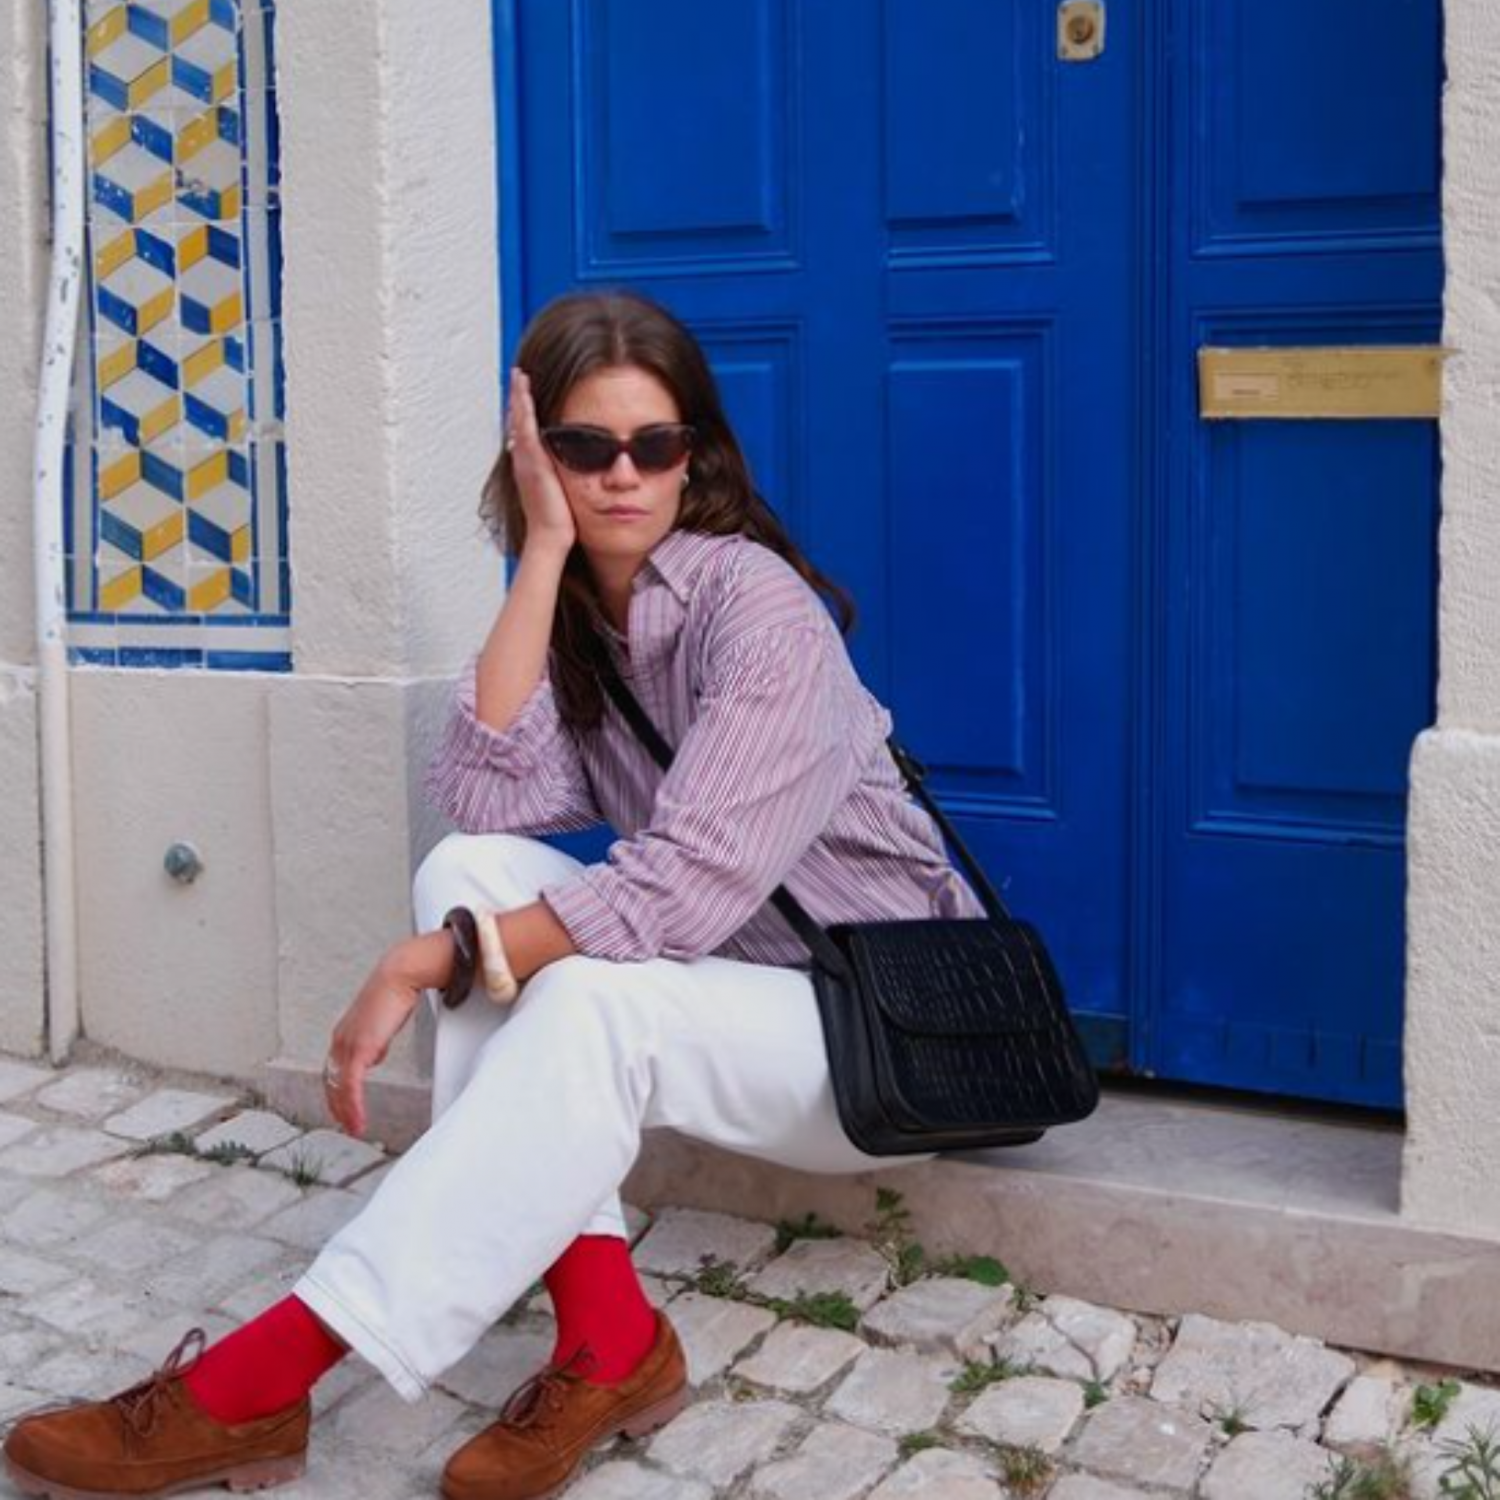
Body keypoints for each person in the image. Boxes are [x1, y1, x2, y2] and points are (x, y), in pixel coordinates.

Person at [2, 289, 986, 1500]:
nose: (622, 475)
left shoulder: (758, 610)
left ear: (696, 458)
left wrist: (427, 961)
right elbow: (483, 793)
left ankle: (266, 1378)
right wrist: (545, 554)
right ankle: (609, 1336)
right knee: (463, 871)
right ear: (538, 461)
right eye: (585, 447)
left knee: (587, 1000)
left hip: (879, 1034)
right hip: (737, 991)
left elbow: (686, 885)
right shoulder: (589, 621)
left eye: (654, 445)